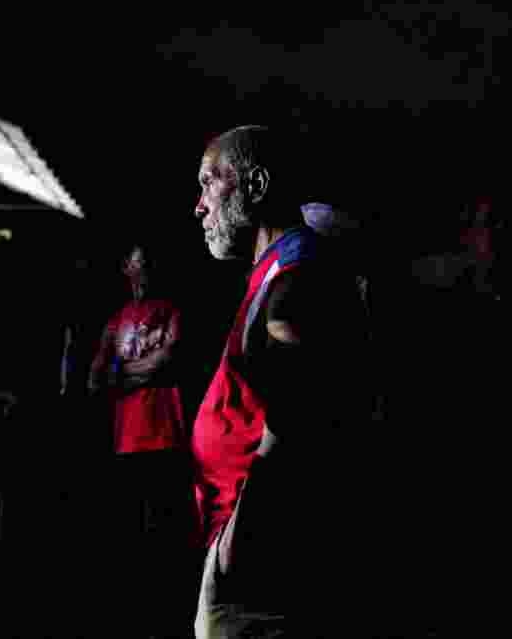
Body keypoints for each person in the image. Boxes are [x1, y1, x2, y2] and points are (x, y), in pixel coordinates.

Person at [191, 125, 372, 637]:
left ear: (256, 185)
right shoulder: (277, 267)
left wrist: (240, 537)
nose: (199, 206)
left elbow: (304, 408)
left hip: (260, 559)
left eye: (209, 183)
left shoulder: (295, 275)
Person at [88, 243, 195, 637]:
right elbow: (96, 375)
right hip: (124, 439)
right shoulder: (116, 320)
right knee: (128, 535)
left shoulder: (173, 311)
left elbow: (167, 359)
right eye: (139, 263)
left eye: (151, 263)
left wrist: (124, 374)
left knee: (161, 536)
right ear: (125, 268)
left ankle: (162, 617)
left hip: (165, 434)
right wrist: (136, 373)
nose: (145, 270)